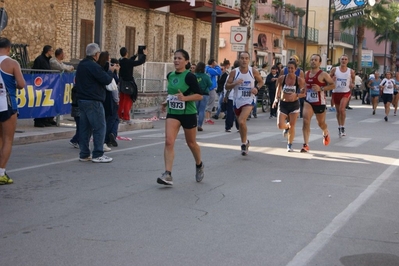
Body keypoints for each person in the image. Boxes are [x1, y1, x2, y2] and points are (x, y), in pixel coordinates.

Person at [157, 49, 204, 186]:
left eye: (179, 58)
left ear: (186, 61)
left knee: (191, 143)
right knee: (169, 141)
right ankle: (168, 174)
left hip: (188, 113)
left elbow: (199, 95)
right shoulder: (170, 75)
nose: (176, 60)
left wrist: (185, 98)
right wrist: (168, 101)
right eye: (175, 58)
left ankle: (199, 164)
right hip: (173, 113)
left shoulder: (190, 76)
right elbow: (172, 93)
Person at [75, 43, 116, 163]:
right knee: (100, 127)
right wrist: (110, 71)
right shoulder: (93, 66)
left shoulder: (82, 65)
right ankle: (98, 153)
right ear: (96, 54)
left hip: (82, 100)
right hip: (93, 100)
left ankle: (84, 154)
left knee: (85, 128)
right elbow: (106, 79)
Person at [225, 51, 264, 156]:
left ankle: (243, 144)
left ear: (249, 60)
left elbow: (261, 81)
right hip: (237, 101)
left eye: (246, 58)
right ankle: (245, 142)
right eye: (242, 58)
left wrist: (256, 88)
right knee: (241, 124)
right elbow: (226, 86)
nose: (244, 60)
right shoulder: (234, 72)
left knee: (242, 121)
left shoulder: (253, 71)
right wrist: (234, 83)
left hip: (249, 100)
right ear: (239, 59)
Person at [0, 37, 26, 185]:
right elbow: (21, 84)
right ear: (9, 48)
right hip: (8, 104)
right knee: (7, 139)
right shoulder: (12, 63)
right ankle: (1, 172)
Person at [301, 54, 335, 153]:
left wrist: (321, 89)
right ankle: (305, 144)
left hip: (320, 102)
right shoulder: (306, 73)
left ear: (319, 62)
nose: (313, 61)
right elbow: (306, 85)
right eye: (312, 59)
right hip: (308, 101)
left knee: (321, 123)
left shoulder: (323, 74)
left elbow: (333, 85)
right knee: (306, 120)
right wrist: (304, 89)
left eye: (315, 60)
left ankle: (325, 132)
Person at [273, 60, 306, 152]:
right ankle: (286, 127)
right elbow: (278, 88)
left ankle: (289, 144)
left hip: (294, 104)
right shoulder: (282, 78)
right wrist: (276, 99)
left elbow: (304, 93)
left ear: (295, 69)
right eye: (289, 68)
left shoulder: (299, 80)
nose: (290, 70)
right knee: (280, 125)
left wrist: (296, 95)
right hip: (283, 103)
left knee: (292, 125)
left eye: (292, 68)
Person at [97, 51, 120, 151]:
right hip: (107, 99)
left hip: (101, 98)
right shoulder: (106, 71)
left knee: (105, 120)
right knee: (110, 119)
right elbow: (113, 86)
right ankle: (106, 139)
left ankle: (108, 137)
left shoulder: (98, 68)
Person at [329, 54, 355, 137]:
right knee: (338, 111)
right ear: (340, 60)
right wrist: (331, 80)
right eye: (342, 59)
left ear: (347, 61)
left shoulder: (350, 71)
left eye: (345, 59)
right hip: (336, 92)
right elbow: (328, 78)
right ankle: (339, 126)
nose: (343, 60)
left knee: (342, 109)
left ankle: (343, 126)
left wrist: (352, 84)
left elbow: (353, 79)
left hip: (345, 92)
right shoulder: (334, 69)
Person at [118, 46, 146, 123]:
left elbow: (129, 61)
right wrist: (144, 55)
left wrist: (135, 55)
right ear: (126, 53)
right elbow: (139, 62)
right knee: (128, 100)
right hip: (128, 83)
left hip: (121, 82)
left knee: (122, 99)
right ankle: (126, 117)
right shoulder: (128, 62)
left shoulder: (120, 61)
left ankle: (119, 115)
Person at [32, 45, 56, 127]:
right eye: (51, 51)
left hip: (46, 85)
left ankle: (45, 120)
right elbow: (35, 71)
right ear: (48, 51)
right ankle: (38, 121)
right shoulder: (40, 59)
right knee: (39, 103)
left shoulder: (47, 60)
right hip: (40, 85)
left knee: (45, 103)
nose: (52, 52)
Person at [194, 62, 212, 131]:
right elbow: (210, 84)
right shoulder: (206, 76)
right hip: (204, 94)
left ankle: (193, 124)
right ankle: (199, 125)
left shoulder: (194, 76)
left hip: (196, 94)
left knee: (195, 110)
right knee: (202, 110)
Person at [204, 59, 221, 124]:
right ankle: (207, 118)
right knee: (210, 103)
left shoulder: (206, 69)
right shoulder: (210, 69)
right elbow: (218, 72)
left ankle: (208, 118)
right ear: (213, 63)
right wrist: (217, 66)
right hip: (211, 88)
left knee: (209, 103)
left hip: (208, 88)